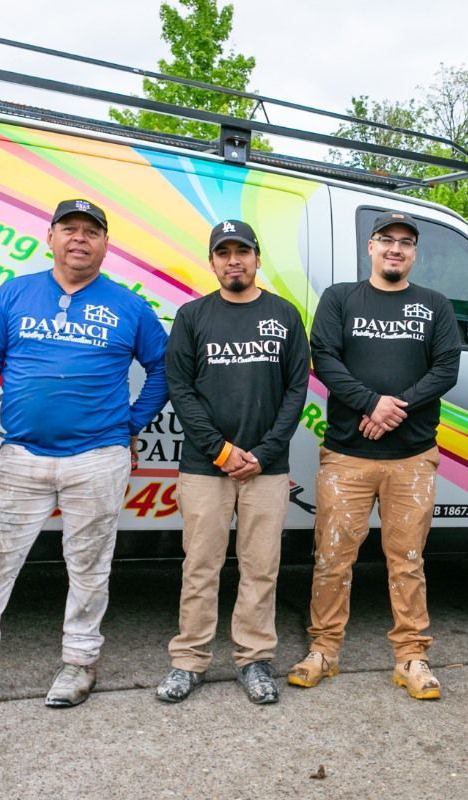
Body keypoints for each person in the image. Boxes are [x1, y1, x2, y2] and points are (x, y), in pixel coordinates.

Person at [0, 199, 169, 715]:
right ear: (51, 237)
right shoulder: (15, 293)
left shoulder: (129, 306)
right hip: (20, 457)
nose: (79, 239)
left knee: (89, 566)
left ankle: (79, 662)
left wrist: (128, 424)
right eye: (69, 229)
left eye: (91, 231)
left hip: (98, 460)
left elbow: (164, 369)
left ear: (106, 245)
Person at [288, 211, 460, 700]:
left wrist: (394, 409)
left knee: (407, 559)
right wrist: (370, 403)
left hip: (413, 457)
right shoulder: (341, 298)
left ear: (414, 253)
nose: (396, 249)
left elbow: (446, 368)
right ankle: (324, 650)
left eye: (406, 243)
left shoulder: (434, 305)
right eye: (387, 240)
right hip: (347, 456)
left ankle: (411, 657)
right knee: (332, 558)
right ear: (371, 246)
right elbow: (325, 358)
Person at [155, 220, 308, 705]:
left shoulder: (284, 315)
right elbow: (180, 388)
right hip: (205, 467)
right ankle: (189, 660)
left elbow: (296, 391)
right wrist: (219, 449)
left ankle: (254, 659)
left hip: (267, 467)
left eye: (242, 251)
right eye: (224, 253)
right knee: (200, 565)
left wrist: (261, 454)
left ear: (257, 259)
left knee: (261, 567)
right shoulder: (193, 316)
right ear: (213, 261)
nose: (233, 260)